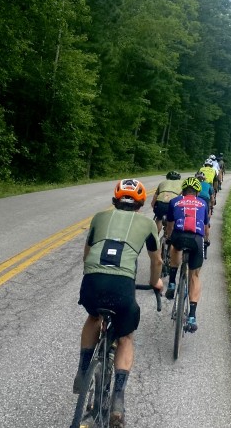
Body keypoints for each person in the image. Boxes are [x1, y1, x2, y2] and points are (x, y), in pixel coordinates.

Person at [75, 178, 163, 426]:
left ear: (115, 200)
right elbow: (156, 261)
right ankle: (118, 399)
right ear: (140, 203)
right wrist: (155, 282)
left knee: (94, 316)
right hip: (122, 286)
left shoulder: (99, 218)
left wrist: (93, 276)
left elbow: (86, 254)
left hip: (92, 280)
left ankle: (83, 371)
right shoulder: (147, 223)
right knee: (126, 337)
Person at [164, 176, 209, 332]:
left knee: (174, 248)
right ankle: (192, 316)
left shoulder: (175, 201)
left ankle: (171, 282)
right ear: (197, 192)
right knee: (195, 276)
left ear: (182, 191)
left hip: (179, 236)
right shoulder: (203, 203)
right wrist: (207, 241)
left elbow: (170, 225)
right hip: (197, 239)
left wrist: (169, 238)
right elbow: (206, 226)